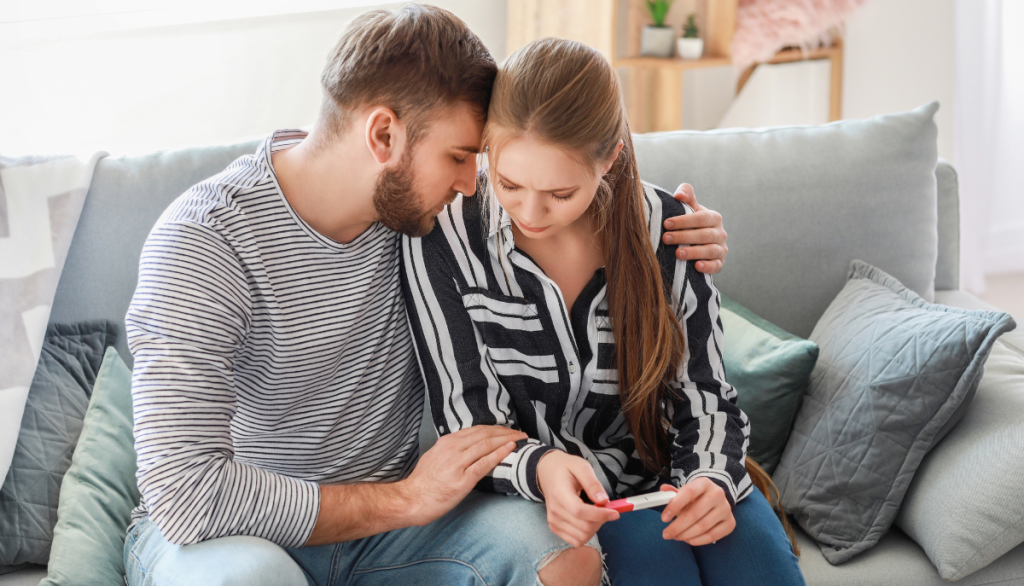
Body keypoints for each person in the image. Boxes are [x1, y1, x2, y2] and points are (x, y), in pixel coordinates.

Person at [122, 6, 731, 586]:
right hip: (234, 538)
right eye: (460, 157)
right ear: (384, 135)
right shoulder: (206, 242)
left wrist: (677, 229)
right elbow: (186, 495)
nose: (473, 185)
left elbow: (565, 173)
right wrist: (407, 498)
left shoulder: (419, 219)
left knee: (563, 555)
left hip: (391, 536)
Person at [402, 37, 805, 586]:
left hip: (676, 467)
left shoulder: (669, 227)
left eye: (561, 192)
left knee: (759, 568)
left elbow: (703, 393)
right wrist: (541, 470)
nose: (530, 211)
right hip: (547, 492)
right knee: (658, 569)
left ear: (610, 158)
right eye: (509, 183)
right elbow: (470, 425)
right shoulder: (443, 236)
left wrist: (711, 478)